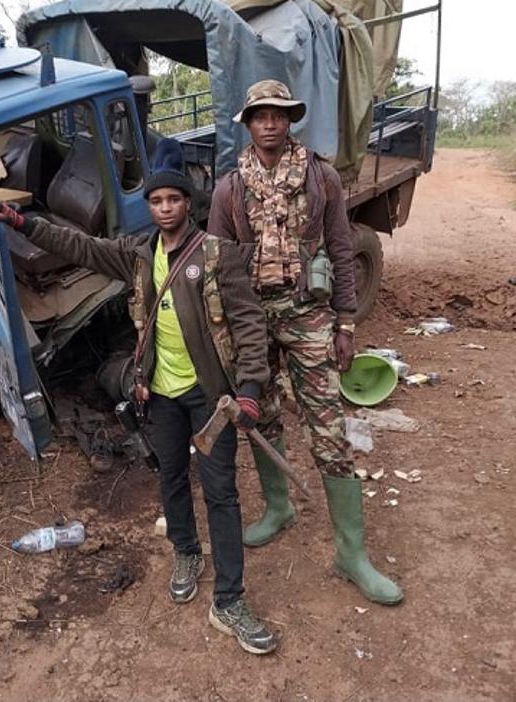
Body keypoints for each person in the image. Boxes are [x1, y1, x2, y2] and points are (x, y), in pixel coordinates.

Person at [0, 138, 279, 654]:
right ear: (149, 206)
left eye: (174, 200)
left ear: (188, 204)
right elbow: (80, 246)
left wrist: (252, 388)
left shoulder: (218, 256)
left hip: (212, 401)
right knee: (170, 478)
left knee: (222, 495)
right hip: (161, 396)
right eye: (156, 201)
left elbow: (250, 325)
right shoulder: (138, 253)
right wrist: (22, 224)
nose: (165, 208)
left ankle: (229, 600)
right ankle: (186, 552)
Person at [207, 80, 403, 605]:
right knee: (262, 415)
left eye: (278, 114)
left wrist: (345, 323)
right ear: (247, 124)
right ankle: (279, 507)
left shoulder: (320, 177)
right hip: (253, 320)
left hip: (310, 314)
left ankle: (351, 553)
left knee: (329, 428)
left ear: (290, 119)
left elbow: (341, 250)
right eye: (259, 115)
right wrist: (225, 332)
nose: (269, 123)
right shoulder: (230, 187)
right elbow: (219, 267)